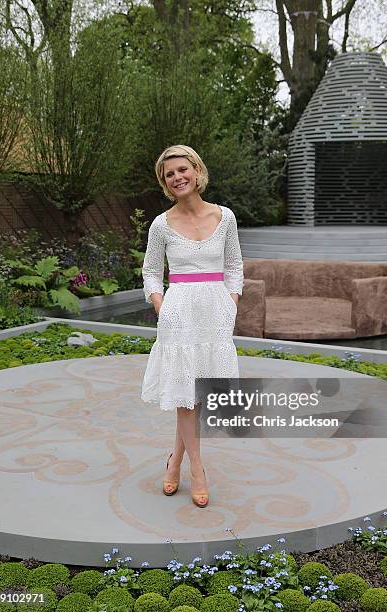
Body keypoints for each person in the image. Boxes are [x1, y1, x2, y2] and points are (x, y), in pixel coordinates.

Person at [140, 144, 244, 508]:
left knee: (200, 394)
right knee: (187, 395)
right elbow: (152, 272)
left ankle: (175, 460)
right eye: (169, 174)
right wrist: (161, 306)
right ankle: (197, 469)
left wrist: (230, 305)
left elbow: (234, 267)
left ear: (197, 172)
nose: (177, 177)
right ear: (165, 184)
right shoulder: (161, 224)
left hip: (216, 315)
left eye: (182, 169)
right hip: (178, 314)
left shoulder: (225, 217)